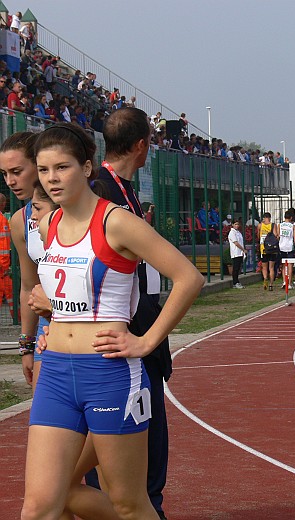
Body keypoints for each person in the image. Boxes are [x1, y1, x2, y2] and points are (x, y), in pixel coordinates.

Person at [23, 122, 203, 520]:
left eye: (63, 167)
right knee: (39, 506)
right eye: (44, 169)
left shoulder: (116, 222)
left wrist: (147, 341)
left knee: (128, 503)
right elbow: (71, 293)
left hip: (109, 375)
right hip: (54, 373)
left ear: (87, 168)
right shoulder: (49, 225)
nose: (52, 178)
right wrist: (48, 309)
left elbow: (189, 277)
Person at [93, 107, 175, 519]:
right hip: (116, 336)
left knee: (151, 444)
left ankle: (150, 506)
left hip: (142, 326)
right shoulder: (100, 190)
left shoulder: (123, 189)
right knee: (114, 459)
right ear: (142, 145)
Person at [0, 132, 44, 387]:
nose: (10, 181)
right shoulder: (19, 221)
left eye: (17, 171)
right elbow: (28, 285)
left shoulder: (81, 209)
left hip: (89, 328)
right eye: (5, 174)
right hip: (46, 334)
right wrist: (26, 346)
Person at [278, 210, 295, 289]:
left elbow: (278, 236)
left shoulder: (279, 225)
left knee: (284, 265)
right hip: (290, 247)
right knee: (290, 265)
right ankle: (289, 283)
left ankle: (284, 281)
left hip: (281, 247)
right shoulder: (292, 226)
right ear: (291, 218)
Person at [0, 194, 13, 319]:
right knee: (10, 294)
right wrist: (4, 267)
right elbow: (3, 247)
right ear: (3, 204)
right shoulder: (1, 219)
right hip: (1, 268)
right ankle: (18, 320)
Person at [257, 212, 278, 290]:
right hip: (272, 249)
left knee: (264, 267)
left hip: (263, 249)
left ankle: (265, 278)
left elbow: (258, 236)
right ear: (270, 217)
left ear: (263, 218)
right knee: (271, 268)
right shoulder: (273, 225)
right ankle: (271, 284)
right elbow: (276, 235)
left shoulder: (260, 225)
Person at [228, 219, 246, 289]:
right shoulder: (232, 233)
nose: (237, 226)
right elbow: (236, 243)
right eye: (235, 224)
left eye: (237, 224)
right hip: (235, 252)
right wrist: (243, 249)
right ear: (232, 225)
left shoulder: (238, 232)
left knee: (238, 268)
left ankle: (237, 281)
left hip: (240, 253)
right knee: (235, 268)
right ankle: (235, 282)